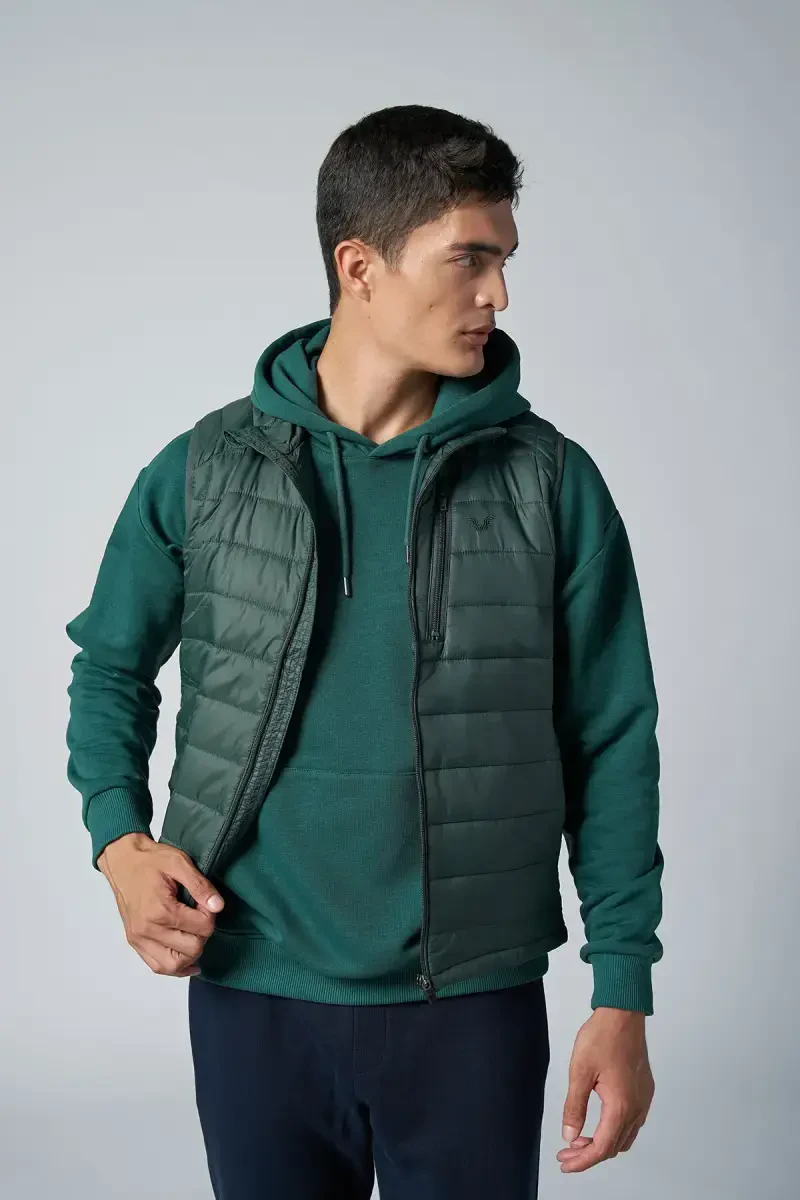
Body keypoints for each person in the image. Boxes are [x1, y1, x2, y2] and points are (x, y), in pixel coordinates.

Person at [65, 103, 664, 1198]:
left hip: (470, 1005)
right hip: (253, 992)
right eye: (469, 258)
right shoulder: (204, 469)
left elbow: (612, 738)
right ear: (360, 268)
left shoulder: (550, 483)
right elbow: (109, 666)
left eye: (505, 260)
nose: (498, 294)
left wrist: (621, 989)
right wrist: (120, 844)